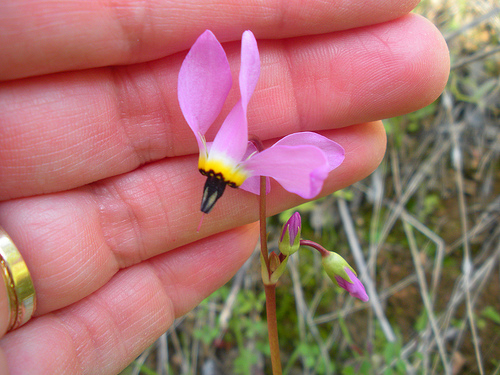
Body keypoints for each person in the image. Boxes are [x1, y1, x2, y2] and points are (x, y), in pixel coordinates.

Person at [0, 0, 449, 373]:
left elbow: (314, 162)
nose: (211, 194)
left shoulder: (229, 162)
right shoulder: (242, 170)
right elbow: (301, 160)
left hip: (227, 163)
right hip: (233, 166)